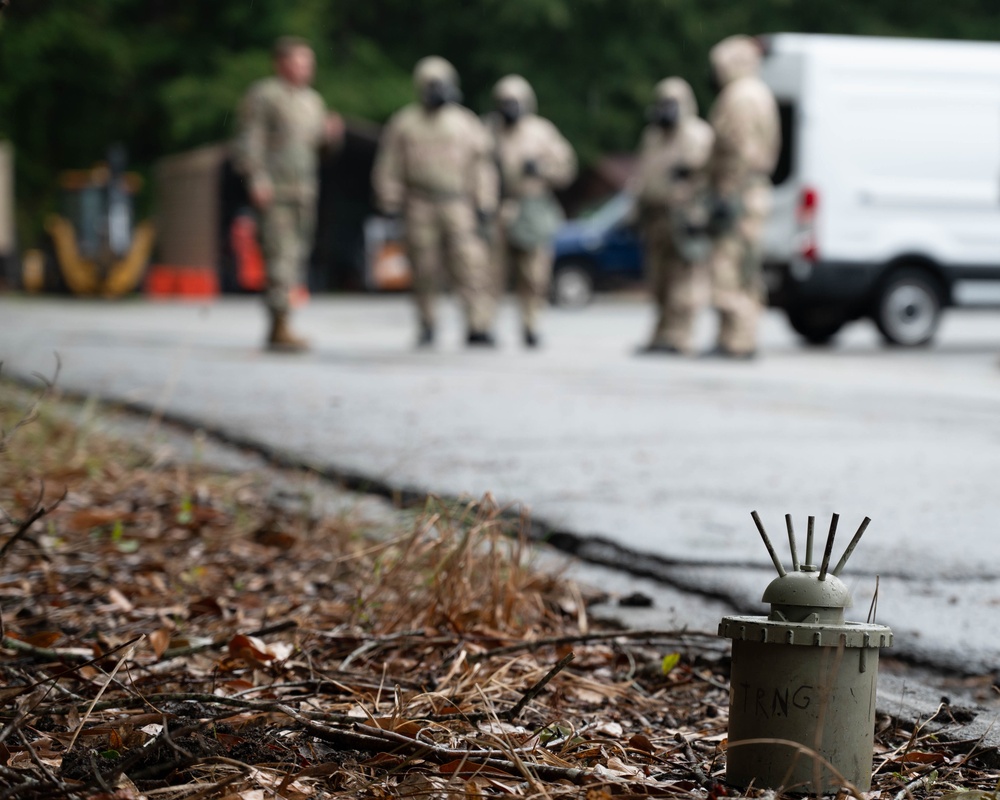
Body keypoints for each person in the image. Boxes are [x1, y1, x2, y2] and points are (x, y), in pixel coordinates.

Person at [372, 56, 499, 348]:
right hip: (419, 203)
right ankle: (427, 323)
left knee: (470, 265)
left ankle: (477, 324)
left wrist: (485, 203)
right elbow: (389, 167)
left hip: (458, 203)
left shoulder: (465, 122)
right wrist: (389, 204)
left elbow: (482, 167)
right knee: (423, 267)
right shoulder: (405, 123)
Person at [233, 36, 344, 352]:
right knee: (279, 255)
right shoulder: (265, 95)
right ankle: (280, 324)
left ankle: (282, 320)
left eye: (309, 63)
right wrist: (256, 179)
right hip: (276, 189)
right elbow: (249, 140)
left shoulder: (312, 101)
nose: (305, 68)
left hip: (304, 190)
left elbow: (318, 151)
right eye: (298, 62)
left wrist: (330, 137)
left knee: (297, 254)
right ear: (280, 64)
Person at [704, 34, 781, 359]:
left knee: (727, 269)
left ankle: (737, 340)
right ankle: (738, 338)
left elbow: (738, 150)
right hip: (755, 192)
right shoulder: (761, 93)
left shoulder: (739, 97)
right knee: (746, 270)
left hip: (739, 192)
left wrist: (725, 191)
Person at [487, 75, 577, 348]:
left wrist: (541, 170)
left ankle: (530, 324)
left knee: (535, 274)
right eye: (504, 102)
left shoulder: (541, 132)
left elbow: (566, 169)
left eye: (515, 102)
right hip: (499, 206)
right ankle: (482, 324)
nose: (510, 108)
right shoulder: (487, 131)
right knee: (490, 273)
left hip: (533, 205)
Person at [631, 77, 715, 355]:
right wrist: (635, 211)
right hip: (656, 217)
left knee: (686, 280)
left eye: (672, 103)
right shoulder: (653, 136)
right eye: (662, 103)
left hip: (684, 215)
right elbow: (642, 176)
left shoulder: (698, 135)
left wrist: (699, 213)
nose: (666, 109)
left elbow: (710, 179)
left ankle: (680, 336)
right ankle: (660, 334)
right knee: (659, 281)